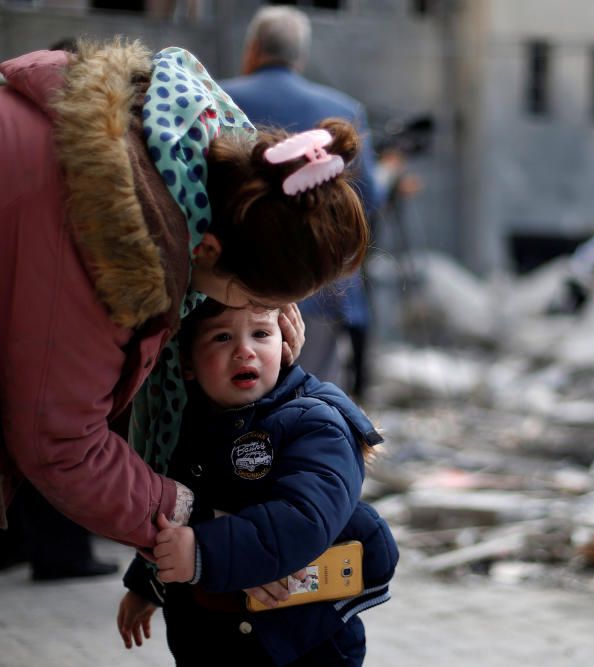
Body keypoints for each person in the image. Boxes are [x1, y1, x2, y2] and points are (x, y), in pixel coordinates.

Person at [0, 40, 366, 560]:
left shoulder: (200, 152)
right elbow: (61, 443)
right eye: (257, 298)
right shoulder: (100, 245)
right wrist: (188, 518)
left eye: (269, 320)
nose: (267, 326)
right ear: (210, 250)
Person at [117, 298, 396, 666]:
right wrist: (149, 581)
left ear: (285, 343)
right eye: (221, 337)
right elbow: (180, 508)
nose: (244, 350)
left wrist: (202, 552)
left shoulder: (314, 421)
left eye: (261, 333)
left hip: (299, 643)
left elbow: (303, 519)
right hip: (208, 636)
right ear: (185, 362)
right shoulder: (184, 427)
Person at [222, 5, 401, 401]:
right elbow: (367, 197)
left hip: (227, 285)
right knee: (309, 410)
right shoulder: (343, 110)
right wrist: (389, 175)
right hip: (319, 290)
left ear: (252, 49)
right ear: (299, 56)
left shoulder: (217, 97)